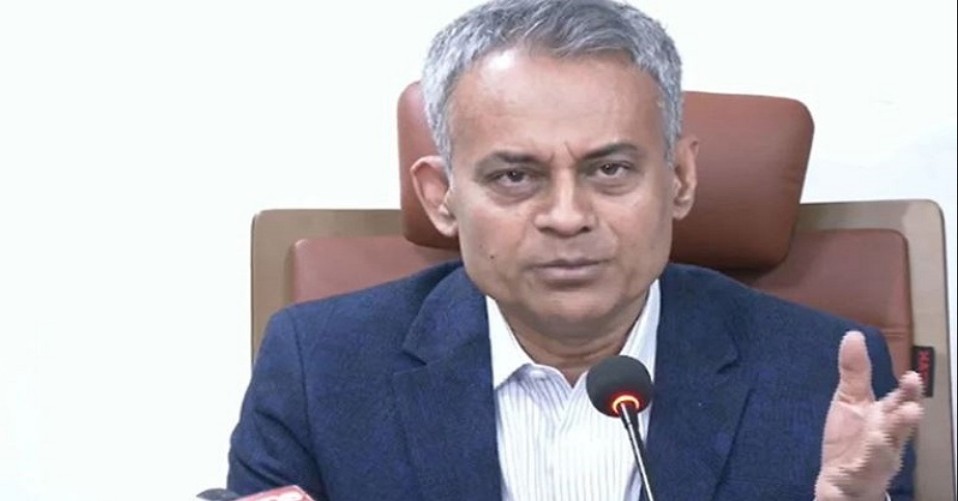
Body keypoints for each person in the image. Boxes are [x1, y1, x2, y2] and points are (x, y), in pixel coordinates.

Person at [227, 0, 924, 499]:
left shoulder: (822, 375)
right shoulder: (319, 367)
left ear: (680, 179)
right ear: (442, 197)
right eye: (514, 176)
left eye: (610, 169)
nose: (567, 217)